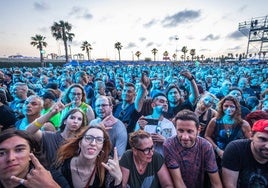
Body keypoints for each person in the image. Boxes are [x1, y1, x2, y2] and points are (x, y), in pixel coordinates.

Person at [163, 110, 222, 188]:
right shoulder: (170, 145)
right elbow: (178, 181)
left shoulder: (206, 146)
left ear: (198, 130)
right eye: (180, 131)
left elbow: (216, 183)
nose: (185, 137)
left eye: (189, 131)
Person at [53, 125, 122, 188]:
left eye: (99, 140)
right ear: (80, 143)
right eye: (88, 138)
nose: (93, 143)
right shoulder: (61, 164)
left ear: (102, 147)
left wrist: (118, 179)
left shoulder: (106, 170)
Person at [26, 104, 88, 169]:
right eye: (72, 118)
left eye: (79, 119)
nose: (75, 121)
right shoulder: (50, 137)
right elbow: (28, 131)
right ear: (65, 121)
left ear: (82, 124)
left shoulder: (80, 144)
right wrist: (51, 113)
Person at [204, 95, 251, 166]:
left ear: (236, 108)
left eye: (232, 106)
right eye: (226, 106)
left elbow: (249, 141)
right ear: (222, 107)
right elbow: (207, 136)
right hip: (218, 157)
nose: (229, 109)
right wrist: (218, 150)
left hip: (237, 158)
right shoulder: (215, 121)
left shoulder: (243, 124)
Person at [221, 119, 268, 188]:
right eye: (263, 139)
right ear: (251, 136)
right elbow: (230, 185)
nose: (267, 146)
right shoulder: (236, 149)